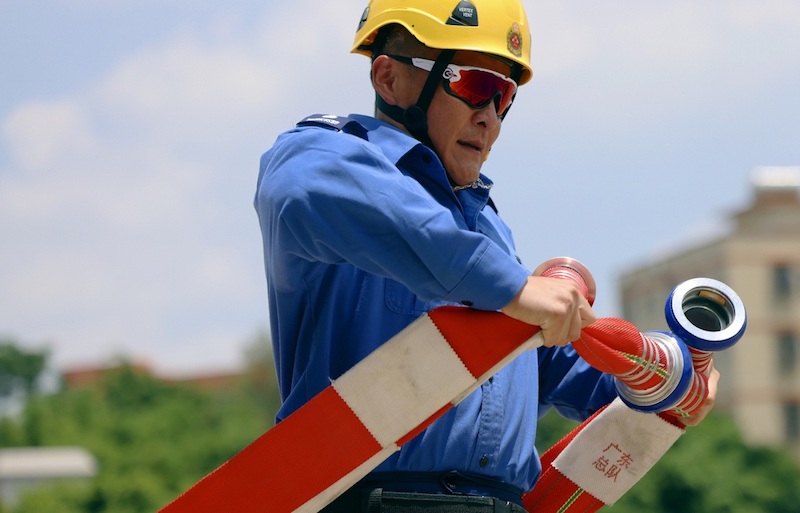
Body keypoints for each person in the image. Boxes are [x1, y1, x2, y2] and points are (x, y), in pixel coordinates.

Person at [254, 1, 719, 511]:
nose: (490, 117)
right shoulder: (322, 158)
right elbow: (305, 191)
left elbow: (530, 361)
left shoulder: (485, 226)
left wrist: (656, 381)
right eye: (476, 86)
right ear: (389, 78)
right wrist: (515, 288)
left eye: (505, 96)